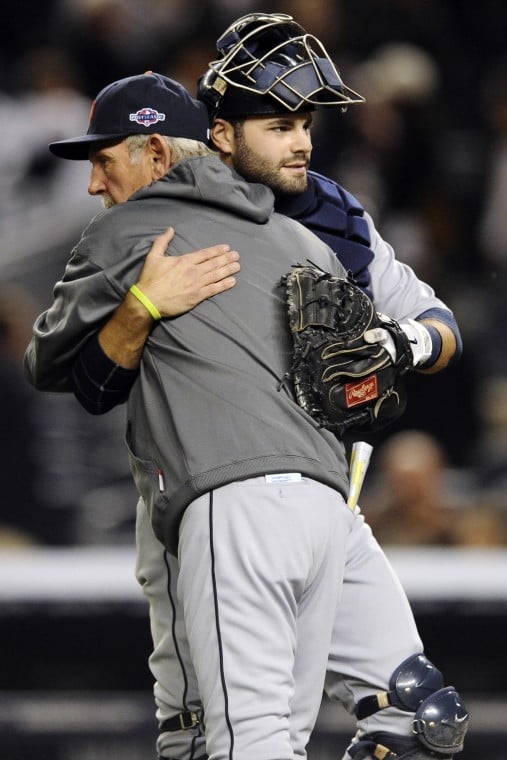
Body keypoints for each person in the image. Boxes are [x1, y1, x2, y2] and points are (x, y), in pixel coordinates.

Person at [25, 15, 469, 760]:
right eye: (277, 124)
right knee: (235, 736)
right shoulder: (176, 223)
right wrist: (143, 305)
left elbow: (442, 325)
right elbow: (83, 380)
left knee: (388, 724)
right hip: (210, 479)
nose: (299, 141)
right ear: (219, 136)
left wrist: (401, 340)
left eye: (303, 124)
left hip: (302, 487)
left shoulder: (324, 223)